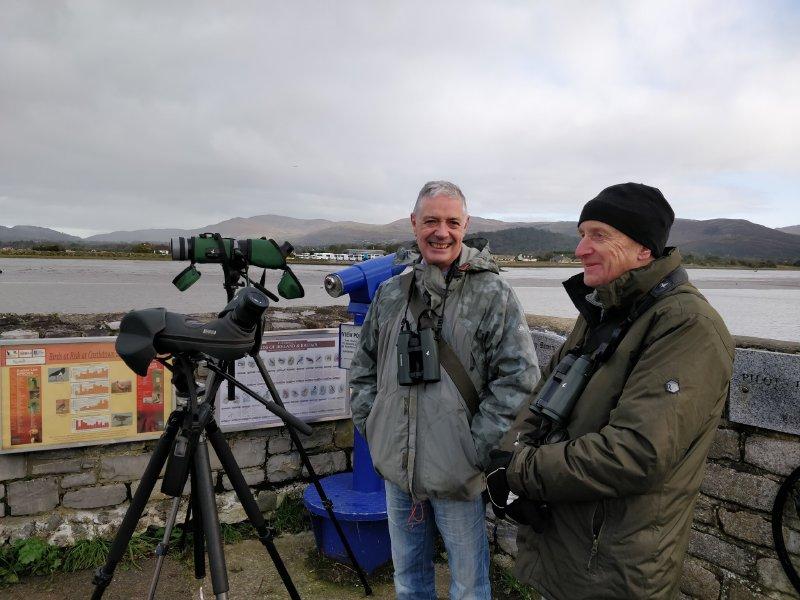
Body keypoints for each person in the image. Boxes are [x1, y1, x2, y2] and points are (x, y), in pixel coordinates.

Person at [488, 183, 734, 599]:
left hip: (613, 565)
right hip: (567, 546)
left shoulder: (688, 326)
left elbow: (636, 453)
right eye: (581, 235)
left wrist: (520, 470)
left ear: (644, 250)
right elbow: (543, 395)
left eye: (599, 235)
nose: (581, 249)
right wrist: (506, 455)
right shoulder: (605, 310)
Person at [349, 180, 540, 599]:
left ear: (466, 225)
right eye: (431, 220)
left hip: (460, 472)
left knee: (469, 585)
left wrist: (475, 445)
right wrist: (374, 427)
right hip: (399, 470)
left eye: (452, 222)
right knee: (408, 578)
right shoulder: (391, 292)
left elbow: (520, 376)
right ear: (414, 223)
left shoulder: (493, 293)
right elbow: (362, 368)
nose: (442, 231)